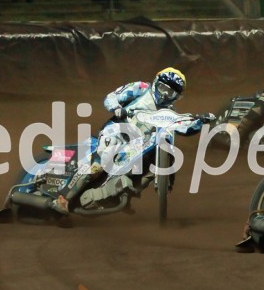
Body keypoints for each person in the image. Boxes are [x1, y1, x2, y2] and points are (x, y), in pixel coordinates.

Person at [51, 68, 211, 214]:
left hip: (138, 146)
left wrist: (200, 122)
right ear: (156, 83)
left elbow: (184, 129)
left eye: (171, 93)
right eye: (163, 88)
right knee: (101, 161)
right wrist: (116, 108)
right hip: (118, 130)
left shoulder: (169, 113)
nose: (165, 95)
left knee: (149, 168)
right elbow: (111, 97)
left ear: (177, 97)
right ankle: (63, 199)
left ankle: (120, 194)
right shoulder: (141, 88)